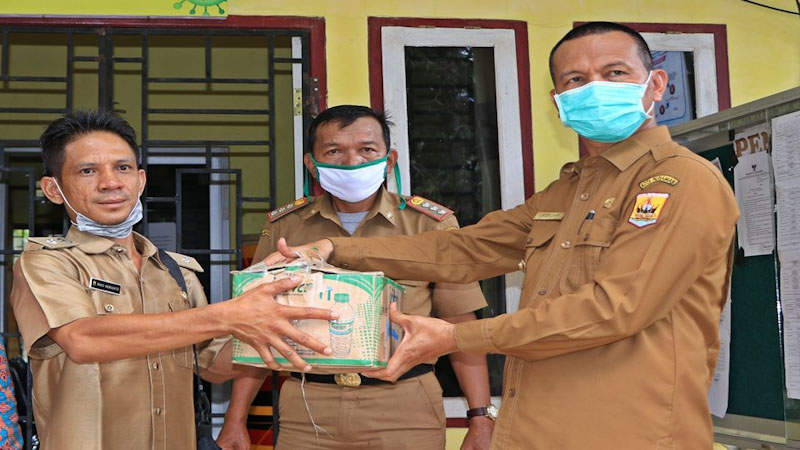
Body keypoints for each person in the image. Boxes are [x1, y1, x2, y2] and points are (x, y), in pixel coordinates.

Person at [263, 22, 740, 449]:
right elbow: (462, 249)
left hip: (631, 431)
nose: (593, 88)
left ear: (655, 84)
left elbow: (615, 308)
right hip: (538, 425)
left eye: (614, 73)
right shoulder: (568, 190)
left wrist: (456, 337)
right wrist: (335, 247)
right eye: (575, 80)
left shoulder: (678, 180)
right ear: (558, 101)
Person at [9, 110, 338, 450]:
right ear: (52, 189)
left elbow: (213, 364)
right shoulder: (48, 261)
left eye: (122, 168)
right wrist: (227, 315)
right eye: (88, 171)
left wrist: (276, 310)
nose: (110, 182)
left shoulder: (175, 270)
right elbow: (83, 340)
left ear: (140, 180)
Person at [217, 105, 494, 450]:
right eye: (334, 151)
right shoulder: (285, 228)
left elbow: (460, 327)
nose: (352, 163)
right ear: (311, 164)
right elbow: (259, 329)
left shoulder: (430, 225)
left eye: (367, 150)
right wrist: (235, 419)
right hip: (308, 407)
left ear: (389, 160)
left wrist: (480, 418)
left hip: (404, 406)